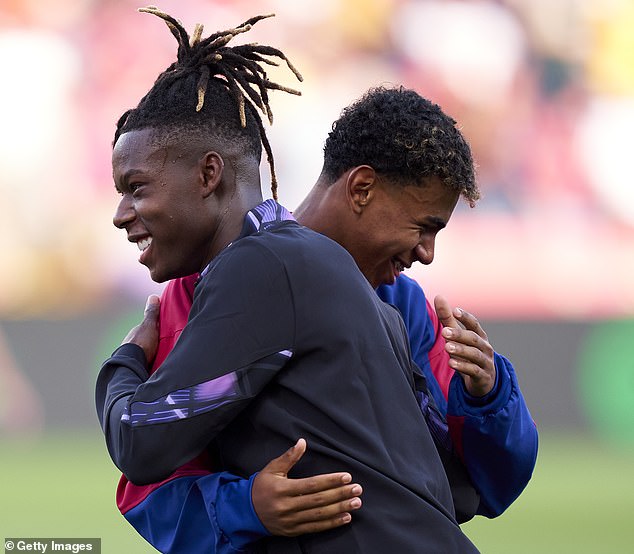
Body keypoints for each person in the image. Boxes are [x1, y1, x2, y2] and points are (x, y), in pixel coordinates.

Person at [96, 6, 486, 553]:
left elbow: (142, 442)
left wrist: (125, 363)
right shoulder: (337, 278)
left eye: (136, 186)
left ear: (209, 174)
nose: (121, 212)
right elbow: (459, 490)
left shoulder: (262, 267)